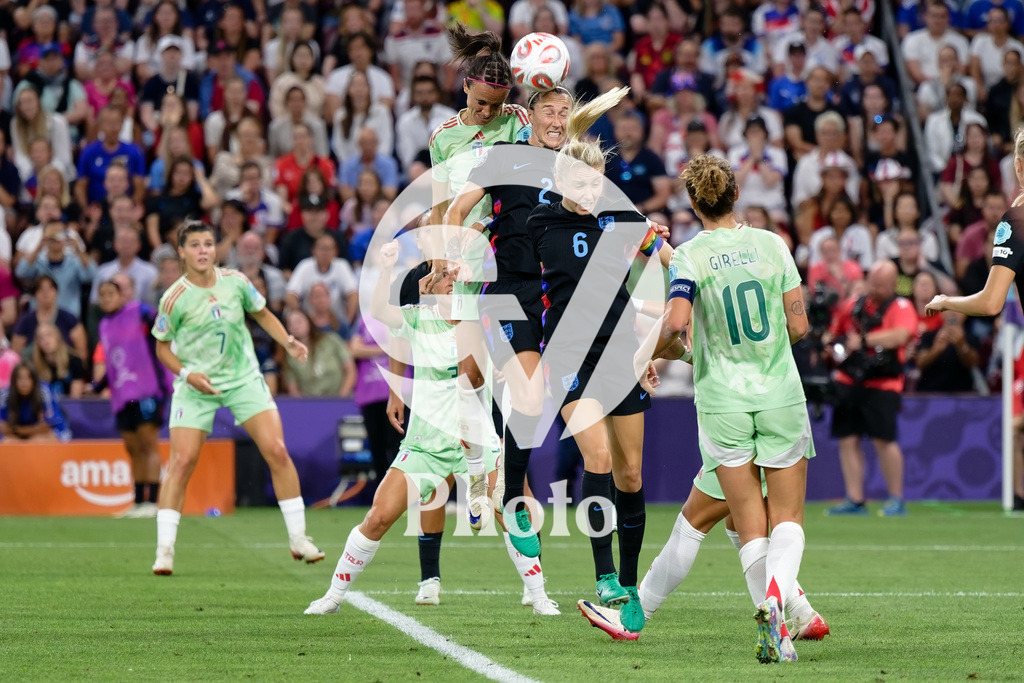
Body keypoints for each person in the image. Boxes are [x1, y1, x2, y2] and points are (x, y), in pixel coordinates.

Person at [303, 246, 559, 616]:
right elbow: (380, 313)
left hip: (478, 440)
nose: (452, 281)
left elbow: (514, 340)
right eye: (444, 276)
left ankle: (539, 597)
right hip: (425, 444)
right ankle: (333, 596)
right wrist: (387, 268)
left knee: (511, 511)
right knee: (378, 517)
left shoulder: (482, 317)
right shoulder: (418, 316)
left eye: (457, 276)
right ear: (430, 286)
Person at [638, 154, 812, 661]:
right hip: (780, 395)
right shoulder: (773, 245)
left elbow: (676, 322)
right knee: (787, 518)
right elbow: (799, 326)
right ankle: (779, 600)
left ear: (694, 204)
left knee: (748, 524)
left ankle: (774, 617)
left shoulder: (690, 256)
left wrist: (653, 352)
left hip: (723, 403)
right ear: (736, 194)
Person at [444, 86, 630, 554]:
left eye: (565, 112)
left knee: (558, 414)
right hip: (510, 292)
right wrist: (448, 256)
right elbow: (458, 208)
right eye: (548, 110)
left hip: (560, 299)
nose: (557, 119)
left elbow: (615, 214)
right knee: (525, 397)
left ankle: (600, 558)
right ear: (530, 115)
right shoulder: (502, 156)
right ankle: (511, 498)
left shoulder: (574, 166)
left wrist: (650, 233)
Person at [524, 107, 674, 636]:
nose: (591, 192)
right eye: (581, 183)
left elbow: (670, 260)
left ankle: (629, 584)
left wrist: (657, 335)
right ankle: (605, 576)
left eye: (597, 183)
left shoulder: (623, 221)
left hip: (619, 356)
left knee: (631, 475)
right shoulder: (539, 222)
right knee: (599, 457)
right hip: (568, 357)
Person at [150, 220, 324, 575]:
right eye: (195, 245)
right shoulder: (174, 297)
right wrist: (187, 374)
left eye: (208, 244)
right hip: (195, 385)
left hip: (242, 379)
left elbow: (262, 313)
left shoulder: (236, 282)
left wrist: (287, 340)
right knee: (182, 462)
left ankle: (299, 539)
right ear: (181, 252)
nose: (203, 251)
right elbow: (162, 348)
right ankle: (164, 550)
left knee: (277, 450)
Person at [426, 24, 531, 528]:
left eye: (497, 105)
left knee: (514, 372)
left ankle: (506, 470)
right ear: (466, 86)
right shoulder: (443, 138)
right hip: (466, 264)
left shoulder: (518, 121)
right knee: (468, 375)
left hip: (511, 257)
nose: (489, 113)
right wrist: (436, 265)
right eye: (481, 103)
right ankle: (474, 478)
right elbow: (439, 205)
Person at [827, 261, 917, 517]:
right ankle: (854, 499)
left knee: (884, 440)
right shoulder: (852, 305)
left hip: (884, 383)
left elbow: (901, 335)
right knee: (848, 439)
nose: (875, 290)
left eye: (881, 286)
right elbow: (835, 334)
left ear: (893, 285)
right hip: (849, 381)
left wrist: (865, 340)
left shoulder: (901, 306)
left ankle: (896, 499)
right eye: (872, 284)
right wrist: (830, 344)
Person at [95, 275, 168, 518]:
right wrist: (97, 386)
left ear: (122, 295)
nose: (106, 299)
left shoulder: (139, 311)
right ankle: (138, 502)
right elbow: (113, 363)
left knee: (148, 444)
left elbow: (161, 322)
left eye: (111, 294)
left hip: (147, 390)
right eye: (102, 295)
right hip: (122, 395)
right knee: (132, 447)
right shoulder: (104, 325)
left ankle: (153, 502)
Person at [282, 309, 355, 398]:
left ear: (309, 321)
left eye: (299, 321)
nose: (295, 326)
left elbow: (351, 370)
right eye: (290, 324)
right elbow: (293, 389)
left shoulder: (331, 340)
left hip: (339, 398)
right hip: (310, 403)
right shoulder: (290, 355)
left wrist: (341, 398)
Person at [0, 362, 71, 442]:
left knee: (40, 440)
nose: (24, 382)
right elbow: (3, 428)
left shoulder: (45, 391)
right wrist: (29, 432)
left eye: (28, 377)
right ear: (13, 381)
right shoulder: (5, 395)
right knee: (8, 442)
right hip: (17, 436)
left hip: (48, 433)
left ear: (35, 380)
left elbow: (46, 427)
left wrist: (16, 430)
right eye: (19, 378)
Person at [31, 322, 86, 398]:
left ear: (57, 337)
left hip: (68, 404)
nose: (46, 341)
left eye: (49, 335)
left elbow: (75, 398)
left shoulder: (74, 361)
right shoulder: (35, 365)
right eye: (41, 338)